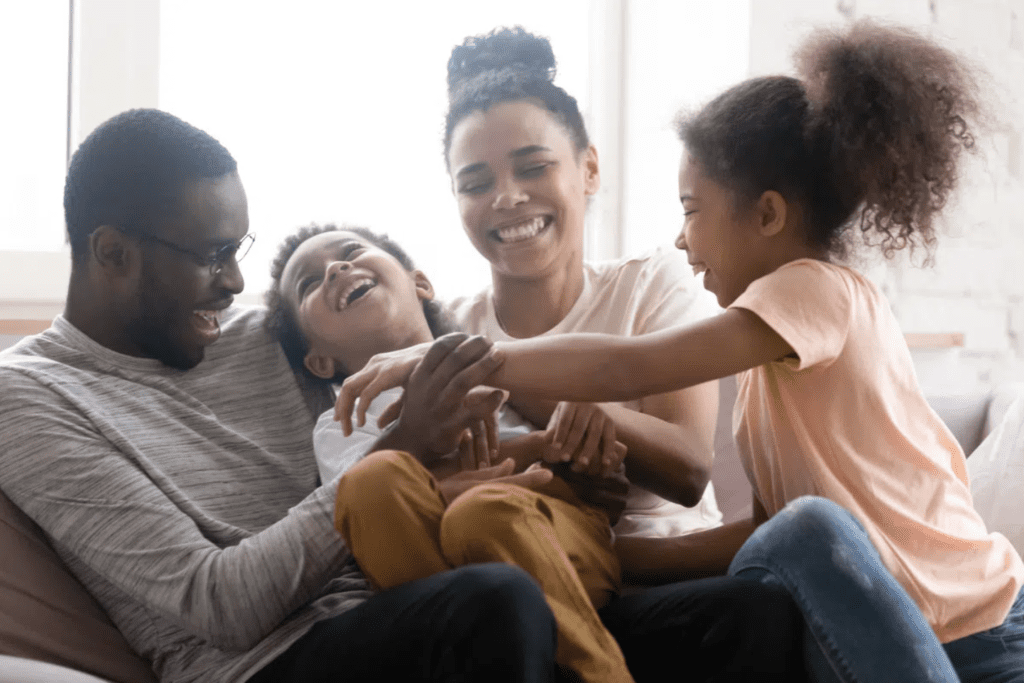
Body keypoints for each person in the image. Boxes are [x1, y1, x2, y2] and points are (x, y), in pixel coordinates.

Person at [337, 20, 1024, 683]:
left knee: (804, 529)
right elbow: (753, 537)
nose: (681, 238)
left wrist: (465, 358)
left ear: (767, 216)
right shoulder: (769, 370)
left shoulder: (816, 291)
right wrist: (601, 553)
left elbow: (626, 365)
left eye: (692, 209)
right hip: (884, 628)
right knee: (789, 534)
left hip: (973, 626)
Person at [0, 108, 562, 683]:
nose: (235, 283)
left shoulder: (260, 333)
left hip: (403, 604)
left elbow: (412, 354)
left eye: (236, 250)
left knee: (649, 616)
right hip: (266, 663)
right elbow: (218, 604)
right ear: (113, 254)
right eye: (210, 256)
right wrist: (405, 444)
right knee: (496, 602)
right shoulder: (30, 396)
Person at [265, 222, 636, 683]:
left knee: (484, 512)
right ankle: (469, 645)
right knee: (370, 483)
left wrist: (577, 440)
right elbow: (372, 518)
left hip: (553, 540)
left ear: (420, 283)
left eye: (352, 251)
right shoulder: (341, 424)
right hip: (449, 574)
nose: (337, 268)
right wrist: (523, 456)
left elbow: (578, 460)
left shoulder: (500, 366)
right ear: (318, 361)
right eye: (309, 283)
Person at [443, 26, 724, 540]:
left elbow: (688, 469)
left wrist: (593, 413)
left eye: (533, 167)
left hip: (677, 578)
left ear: (589, 169)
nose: (507, 197)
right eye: (476, 183)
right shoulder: (448, 326)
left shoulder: (651, 282)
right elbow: (436, 482)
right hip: (522, 577)